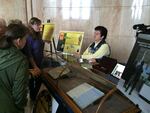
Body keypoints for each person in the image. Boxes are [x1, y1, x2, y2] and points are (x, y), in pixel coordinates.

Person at [0, 24, 29, 113]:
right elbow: (19, 95)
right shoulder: (21, 60)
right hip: (9, 108)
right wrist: (23, 105)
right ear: (19, 40)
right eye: (25, 39)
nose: (26, 42)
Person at [22, 17, 44, 101]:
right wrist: (35, 67)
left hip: (39, 61)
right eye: (37, 24)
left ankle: (37, 96)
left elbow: (40, 45)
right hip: (32, 64)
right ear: (31, 25)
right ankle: (33, 98)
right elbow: (29, 54)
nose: (39, 26)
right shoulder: (28, 37)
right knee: (32, 82)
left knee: (39, 81)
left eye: (40, 24)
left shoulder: (38, 34)